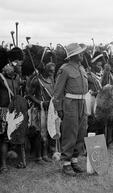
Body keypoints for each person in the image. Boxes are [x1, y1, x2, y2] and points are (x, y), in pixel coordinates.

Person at [53, 43, 89, 176]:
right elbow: (57, 92)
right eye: (80, 53)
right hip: (70, 104)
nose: (82, 55)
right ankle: (66, 163)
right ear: (73, 55)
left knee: (81, 132)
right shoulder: (65, 69)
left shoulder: (82, 68)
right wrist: (59, 108)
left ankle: (74, 160)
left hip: (82, 102)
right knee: (70, 133)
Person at [26, 62, 56, 164]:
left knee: (47, 132)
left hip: (49, 110)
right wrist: (41, 103)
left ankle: (45, 155)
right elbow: (29, 95)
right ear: (45, 70)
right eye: (50, 71)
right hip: (39, 110)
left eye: (53, 71)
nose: (52, 73)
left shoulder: (51, 79)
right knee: (38, 133)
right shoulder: (37, 80)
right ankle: (38, 157)